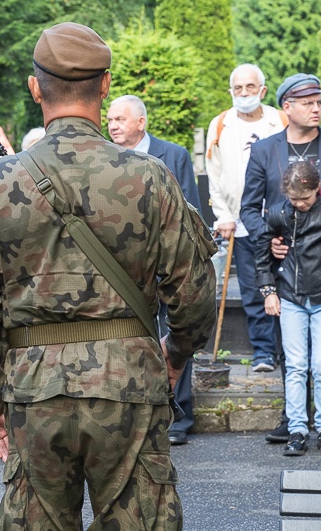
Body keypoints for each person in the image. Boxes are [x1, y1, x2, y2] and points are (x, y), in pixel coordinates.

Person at [0, 22, 217, 530]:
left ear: (35, 88)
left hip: (34, 389)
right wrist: (175, 355)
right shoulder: (151, 176)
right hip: (131, 381)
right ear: (105, 85)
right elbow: (194, 293)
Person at [241, 73, 321, 445]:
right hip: (286, 267)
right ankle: (292, 419)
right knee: (292, 350)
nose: (317, 108)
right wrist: (271, 238)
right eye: (308, 103)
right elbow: (250, 207)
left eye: (319, 102)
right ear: (287, 107)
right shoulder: (265, 150)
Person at [106, 94, 201, 446]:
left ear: (141, 123)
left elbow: (190, 209)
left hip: (167, 260)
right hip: (126, 267)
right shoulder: (107, 155)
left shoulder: (173, 155)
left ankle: (180, 415)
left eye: (120, 119)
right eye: (110, 119)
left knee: (177, 335)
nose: (113, 125)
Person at [256, 161, 321, 456]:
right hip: (290, 295)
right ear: (285, 194)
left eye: (306, 198)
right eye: (294, 199)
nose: (300, 204)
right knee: (296, 364)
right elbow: (262, 254)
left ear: (318, 190)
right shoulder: (278, 213)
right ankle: (298, 429)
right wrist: (268, 292)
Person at [205, 64, 287, 375]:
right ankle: (263, 352)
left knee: (284, 283)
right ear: (231, 91)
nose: (243, 93)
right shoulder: (221, 123)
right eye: (237, 88)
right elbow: (214, 172)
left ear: (262, 90)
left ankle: (286, 350)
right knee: (254, 288)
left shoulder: (278, 120)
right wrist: (223, 216)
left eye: (250, 87)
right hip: (240, 221)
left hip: (280, 219)